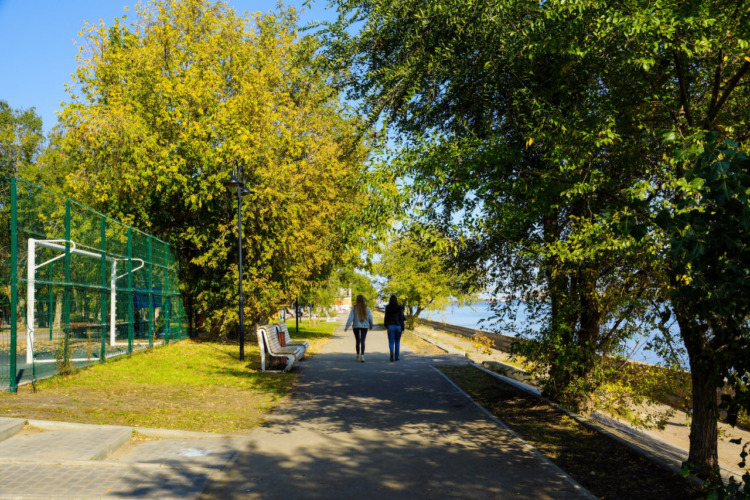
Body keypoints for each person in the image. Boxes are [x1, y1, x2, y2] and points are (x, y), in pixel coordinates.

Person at [344, 295, 374, 362]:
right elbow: (370, 317)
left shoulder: (354, 308)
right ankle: (362, 356)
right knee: (363, 341)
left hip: (356, 326)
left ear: (357, 300)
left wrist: (346, 327)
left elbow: (350, 318)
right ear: (363, 300)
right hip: (365, 326)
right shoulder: (366, 308)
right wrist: (371, 325)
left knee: (357, 341)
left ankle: (358, 355)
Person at [383, 294, 406, 362]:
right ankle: (397, 356)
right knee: (397, 342)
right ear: (396, 300)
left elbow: (386, 317)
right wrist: (403, 328)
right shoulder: (399, 307)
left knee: (391, 342)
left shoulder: (387, 307)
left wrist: (386, 325)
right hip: (398, 326)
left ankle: (391, 353)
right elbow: (401, 318)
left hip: (390, 326)